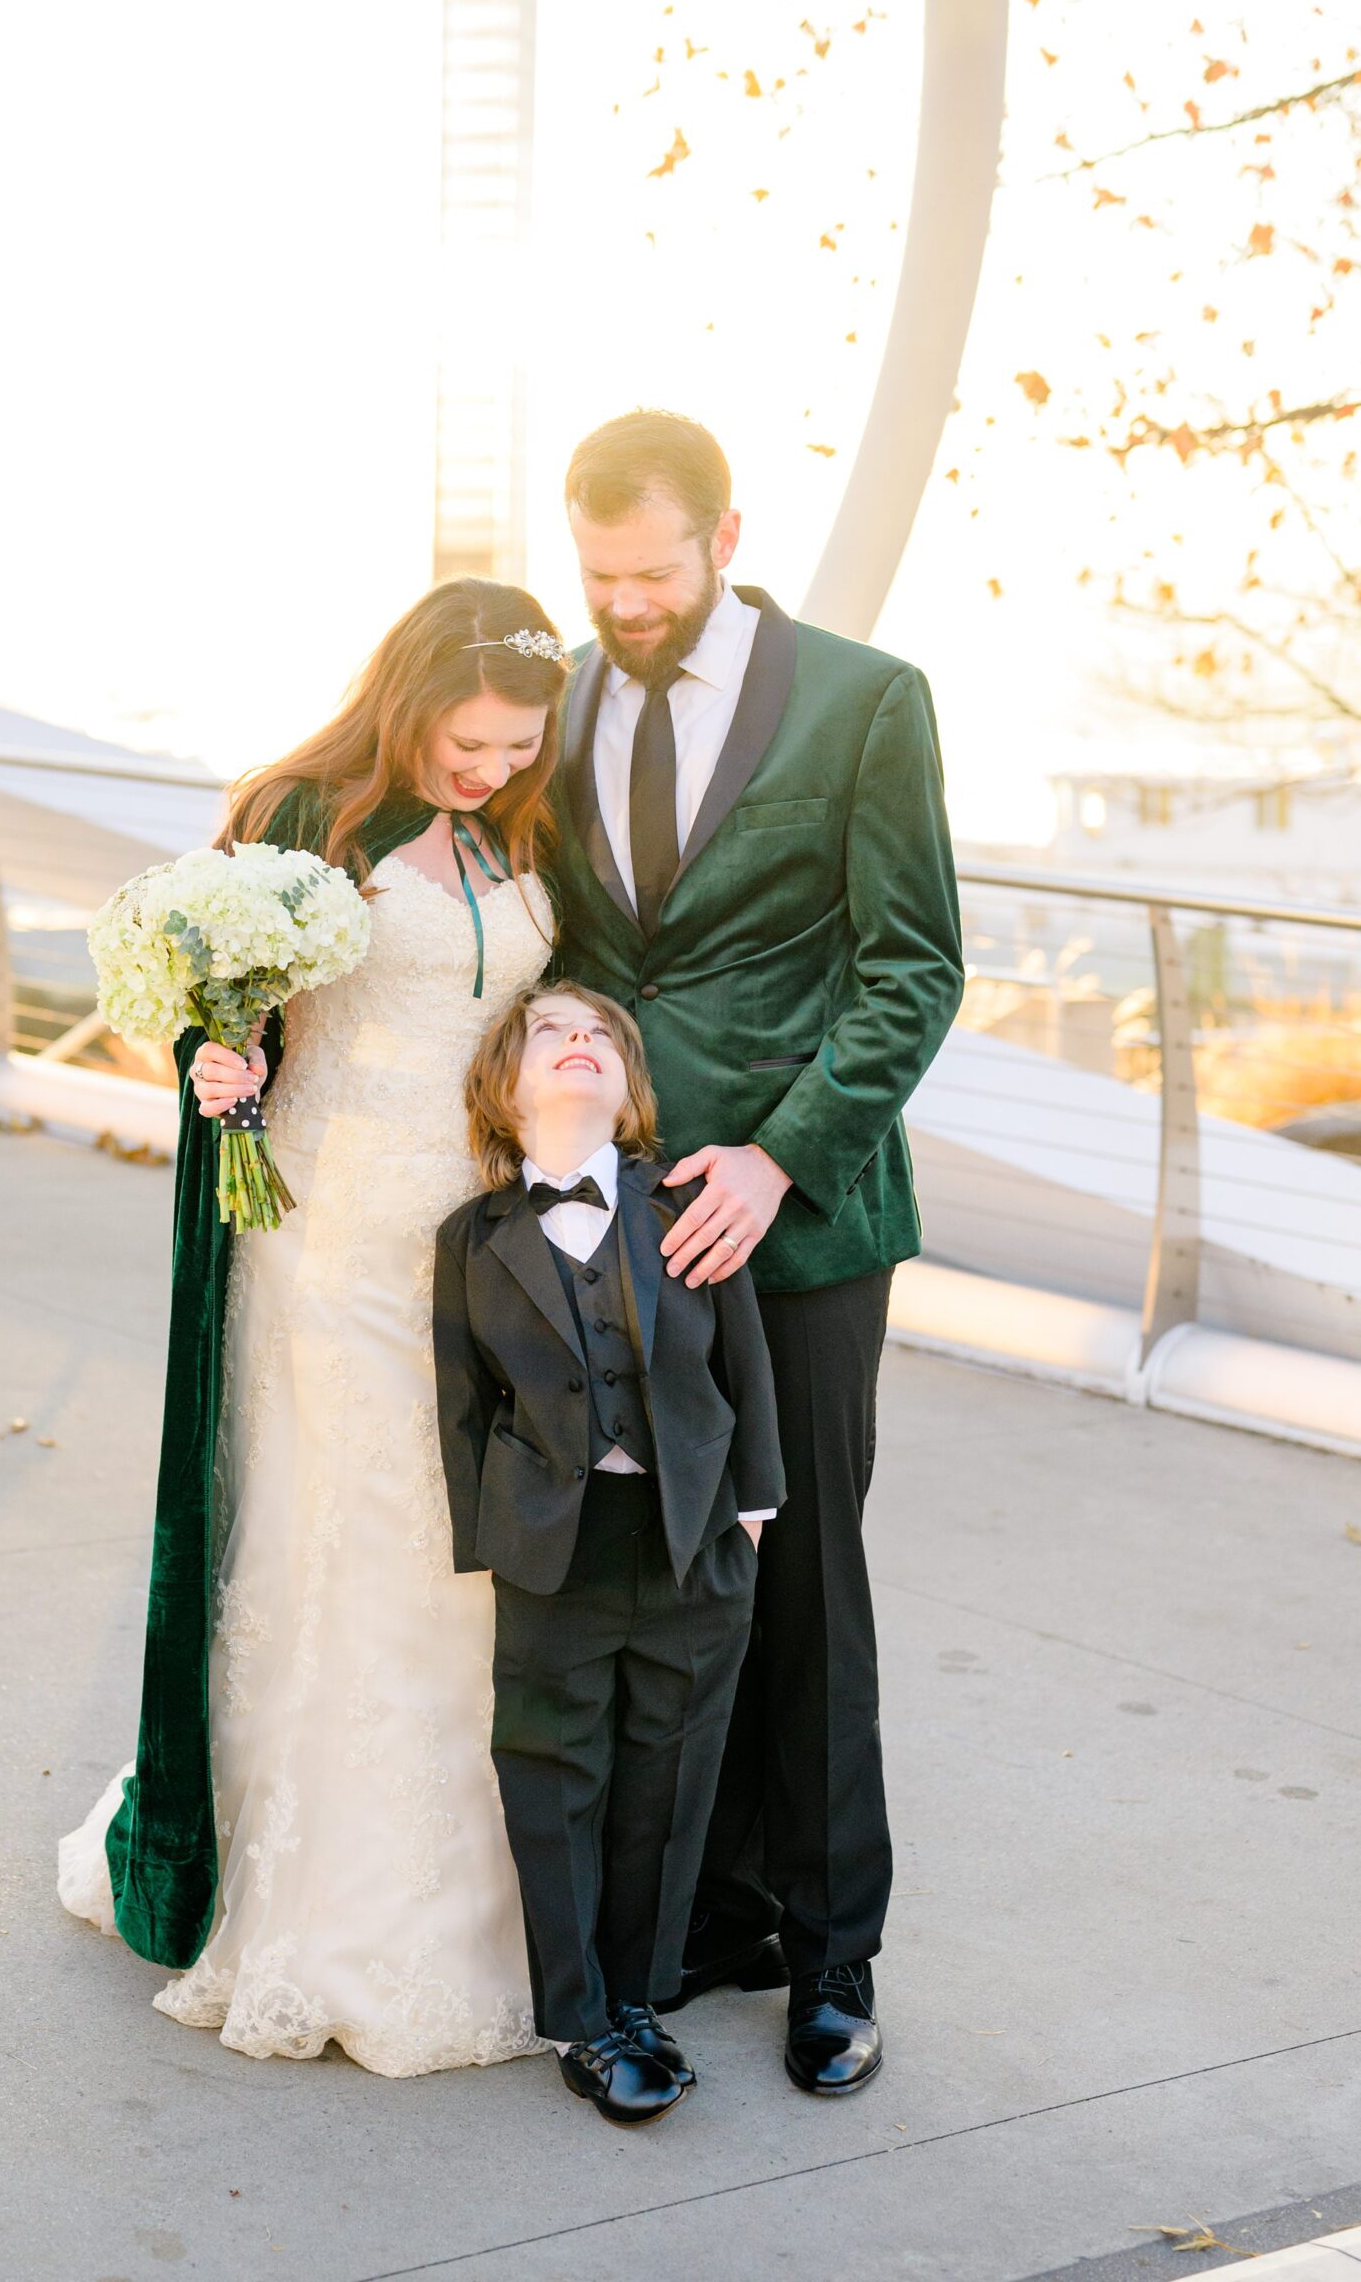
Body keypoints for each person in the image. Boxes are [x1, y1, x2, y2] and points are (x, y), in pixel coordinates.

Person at [57, 578, 572, 2078]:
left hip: (479, 1236)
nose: (488, 770)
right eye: (466, 742)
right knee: (356, 1542)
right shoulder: (299, 814)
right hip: (329, 1230)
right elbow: (209, 999)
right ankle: (326, 1907)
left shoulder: (512, 829)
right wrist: (214, 1053)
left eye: (517, 746)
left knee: (462, 1552)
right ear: (405, 700)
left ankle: (488, 1887)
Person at [549, 410, 966, 2096]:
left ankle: (830, 1956)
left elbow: (911, 968)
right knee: (656, 1572)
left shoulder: (868, 701)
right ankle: (705, 1917)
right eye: (596, 577)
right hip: (617, 1223)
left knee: (799, 1580)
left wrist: (783, 1157)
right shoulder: (556, 693)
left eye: (650, 572)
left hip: (796, 1231)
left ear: (723, 533)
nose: (624, 605)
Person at [432, 982, 785, 2125]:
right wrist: (489, 1538)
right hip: (552, 1549)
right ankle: (581, 2017)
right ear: (504, 1083)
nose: (578, 1043)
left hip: (691, 1537)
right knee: (552, 1770)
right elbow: (463, 1401)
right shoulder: (470, 1239)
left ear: (629, 1089)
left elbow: (743, 1356)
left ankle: (640, 1998)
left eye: (600, 1037)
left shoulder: (678, 1201)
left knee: (672, 1777)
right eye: (550, 1032)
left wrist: (754, 1505)